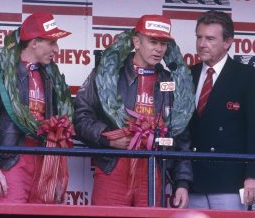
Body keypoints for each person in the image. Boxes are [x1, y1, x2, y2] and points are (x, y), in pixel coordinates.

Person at [74, 14, 194, 207]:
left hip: (153, 169)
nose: (159, 49)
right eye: (153, 41)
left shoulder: (171, 82)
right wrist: (109, 137)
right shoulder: (107, 74)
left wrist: (182, 182)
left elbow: (181, 134)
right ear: (136, 42)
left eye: (163, 43)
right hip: (113, 165)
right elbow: (81, 116)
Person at [0, 13, 74, 203]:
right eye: (51, 43)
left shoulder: (51, 75)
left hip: (45, 161)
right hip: (12, 160)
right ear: (34, 42)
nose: (56, 50)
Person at [188, 10, 255, 210]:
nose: (201, 44)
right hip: (191, 181)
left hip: (229, 182)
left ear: (227, 42)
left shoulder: (249, 77)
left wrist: (254, 175)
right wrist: (180, 181)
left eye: (209, 38)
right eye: (199, 37)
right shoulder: (188, 74)